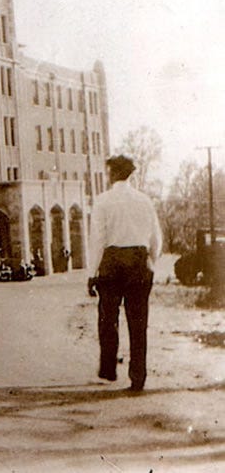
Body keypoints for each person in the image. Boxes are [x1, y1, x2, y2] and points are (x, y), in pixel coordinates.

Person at [87, 154, 163, 392]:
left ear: (112, 173)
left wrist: (92, 272)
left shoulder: (103, 201)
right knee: (138, 323)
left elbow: (98, 239)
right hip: (139, 262)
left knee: (108, 318)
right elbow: (156, 238)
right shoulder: (144, 201)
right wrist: (150, 260)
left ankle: (109, 369)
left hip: (112, 262)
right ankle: (138, 377)